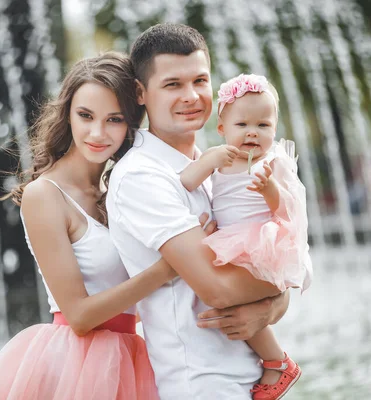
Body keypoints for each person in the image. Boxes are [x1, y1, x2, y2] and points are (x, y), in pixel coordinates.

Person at [0, 52, 181, 400]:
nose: (98, 133)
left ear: (131, 123)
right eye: (85, 116)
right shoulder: (44, 196)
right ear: (67, 114)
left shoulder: (121, 188)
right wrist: (167, 269)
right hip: (76, 365)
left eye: (114, 119)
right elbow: (79, 316)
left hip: (136, 357)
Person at [106, 24, 298, 400]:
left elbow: (259, 263)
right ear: (141, 92)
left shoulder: (217, 167)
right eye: (173, 84)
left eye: (200, 80)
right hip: (202, 381)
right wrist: (292, 275)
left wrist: (272, 307)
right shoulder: (141, 176)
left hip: (249, 375)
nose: (191, 96)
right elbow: (219, 288)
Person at [179, 73, 313, 399]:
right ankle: (276, 361)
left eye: (263, 125)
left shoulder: (273, 161)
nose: (253, 132)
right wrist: (209, 159)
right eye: (242, 125)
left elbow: (288, 207)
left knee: (236, 300)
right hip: (228, 238)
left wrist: (269, 189)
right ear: (222, 128)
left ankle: (277, 361)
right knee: (233, 301)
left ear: (275, 130)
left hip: (260, 239)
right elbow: (187, 181)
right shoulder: (219, 158)